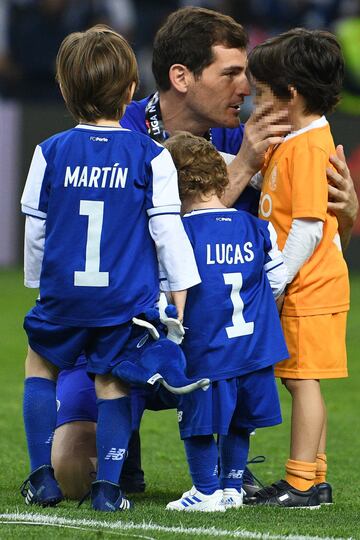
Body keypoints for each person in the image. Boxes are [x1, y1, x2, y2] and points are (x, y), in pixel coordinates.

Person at [51, 6, 358, 499]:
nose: (247, 88)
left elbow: (290, 222)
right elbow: (140, 237)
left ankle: (230, 466)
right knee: (72, 473)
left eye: (248, 74)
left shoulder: (246, 132)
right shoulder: (122, 130)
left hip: (211, 339)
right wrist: (243, 167)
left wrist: (345, 211)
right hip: (125, 329)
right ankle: (123, 452)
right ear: (182, 77)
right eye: (232, 73)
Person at [19, 24, 200, 512]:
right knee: (113, 380)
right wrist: (181, 288)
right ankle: (109, 488)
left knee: (41, 364)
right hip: (122, 299)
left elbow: (36, 230)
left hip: (64, 295)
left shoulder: (48, 151)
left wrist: (41, 285)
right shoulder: (151, 155)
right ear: (131, 90)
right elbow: (167, 231)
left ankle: (41, 478)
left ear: (64, 88)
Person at [248, 28, 350, 508]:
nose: (256, 105)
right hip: (306, 285)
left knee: (300, 379)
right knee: (300, 376)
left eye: (263, 95)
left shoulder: (309, 146)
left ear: (290, 95)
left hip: (309, 286)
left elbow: (308, 228)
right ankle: (316, 476)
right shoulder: (297, 138)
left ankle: (302, 483)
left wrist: (276, 280)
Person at [162, 132, 288, 512]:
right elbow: (278, 280)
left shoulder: (180, 234)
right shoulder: (256, 226)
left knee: (198, 422)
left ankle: (204, 490)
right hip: (253, 348)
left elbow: (169, 290)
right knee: (240, 420)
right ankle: (232, 487)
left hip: (208, 349)